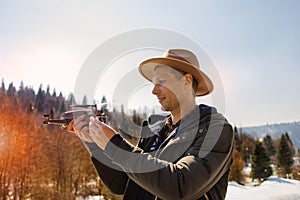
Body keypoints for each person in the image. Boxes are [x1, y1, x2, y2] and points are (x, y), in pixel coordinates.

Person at [68, 49, 234, 200]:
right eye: (153, 83)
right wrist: (96, 145)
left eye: (161, 81)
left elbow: (179, 186)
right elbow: (121, 185)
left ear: (187, 81)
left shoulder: (216, 131)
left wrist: (114, 144)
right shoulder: (154, 131)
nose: (154, 90)